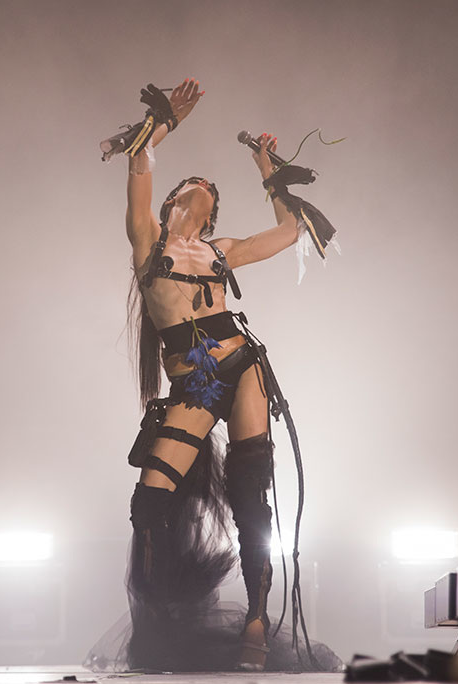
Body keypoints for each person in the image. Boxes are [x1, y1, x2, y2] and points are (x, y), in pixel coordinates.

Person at [112, 78, 338, 673]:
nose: (204, 187)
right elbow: (138, 163)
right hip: (194, 381)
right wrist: (165, 122)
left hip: (243, 365)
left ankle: (257, 621)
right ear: (173, 200)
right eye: (194, 185)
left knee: (250, 496)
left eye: (211, 190)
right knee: (150, 500)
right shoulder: (148, 241)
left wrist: (269, 171)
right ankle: (161, 619)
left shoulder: (220, 252)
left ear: (213, 213)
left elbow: (287, 232)